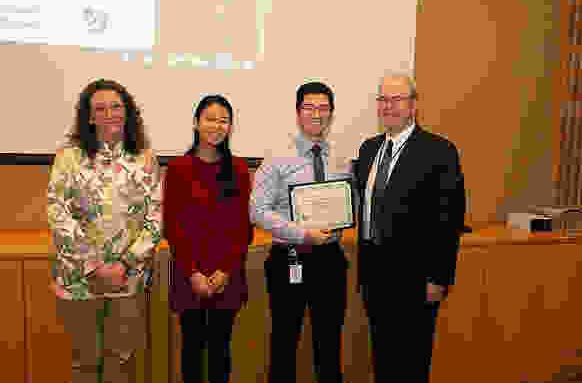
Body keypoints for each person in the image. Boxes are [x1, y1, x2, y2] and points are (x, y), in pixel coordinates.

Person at [48, 78, 162, 383]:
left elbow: (156, 217)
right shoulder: (68, 157)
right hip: (79, 280)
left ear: (128, 111)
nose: (109, 113)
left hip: (128, 277)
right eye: (100, 108)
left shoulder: (145, 158)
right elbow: (58, 213)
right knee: (85, 363)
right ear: (88, 116)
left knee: (120, 361)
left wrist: (124, 264)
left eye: (116, 106)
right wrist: (95, 266)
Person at [354, 73, 465, 383]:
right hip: (375, 277)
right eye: (383, 100)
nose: (389, 106)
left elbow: (448, 220)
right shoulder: (368, 150)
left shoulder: (439, 151)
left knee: (412, 363)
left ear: (413, 105)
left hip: (416, 280)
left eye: (397, 99)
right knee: (383, 359)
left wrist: (438, 278)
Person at [250, 81, 349, 383]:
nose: (316, 114)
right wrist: (301, 234)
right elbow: (257, 211)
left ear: (331, 114)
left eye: (323, 108)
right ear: (297, 113)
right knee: (284, 343)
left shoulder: (341, 157)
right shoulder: (277, 157)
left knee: (329, 345)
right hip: (289, 259)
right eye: (309, 107)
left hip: (330, 259)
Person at [163, 94, 253, 383]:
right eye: (210, 119)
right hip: (190, 278)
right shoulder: (178, 168)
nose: (217, 126)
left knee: (220, 354)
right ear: (196, 123)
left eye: (224, 120)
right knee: (191, 354)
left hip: (226, 277)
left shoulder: (238, 169)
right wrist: (193, 274)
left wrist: (225, 271)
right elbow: (173, 228)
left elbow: (243, 228)